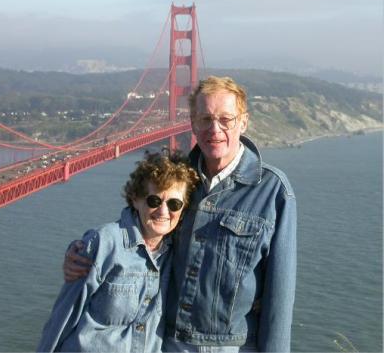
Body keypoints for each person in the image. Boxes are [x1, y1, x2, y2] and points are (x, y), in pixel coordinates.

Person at [63, 76, 297, 352]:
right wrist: (86, 252)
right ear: (193, 124)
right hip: (166, 341)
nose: (215, 129)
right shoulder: (175, 178)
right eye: (205, 119)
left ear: (243, 122)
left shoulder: (273, 191)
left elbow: (279, 297)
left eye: (226, 119)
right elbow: (135, 231)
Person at [37, 150, 199, 352]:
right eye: (154, 201)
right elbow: (63, 318)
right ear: (136, 199)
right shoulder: (104, 244)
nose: (164, 211)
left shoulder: (177, 252)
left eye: (174, 204)